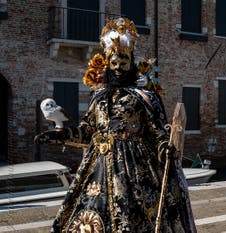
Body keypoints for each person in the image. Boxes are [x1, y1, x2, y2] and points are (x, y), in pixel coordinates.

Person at [35, 17, 197, 233]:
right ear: (108, 64)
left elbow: (157, 133)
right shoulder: (99, 97)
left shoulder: (144, 97)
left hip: (135, 169)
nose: (119, 68)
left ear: (131, 64)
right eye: (114, 64)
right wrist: (62, 135)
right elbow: (87, 132)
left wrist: (163, 148)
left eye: (123, 63)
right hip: (98, 166)